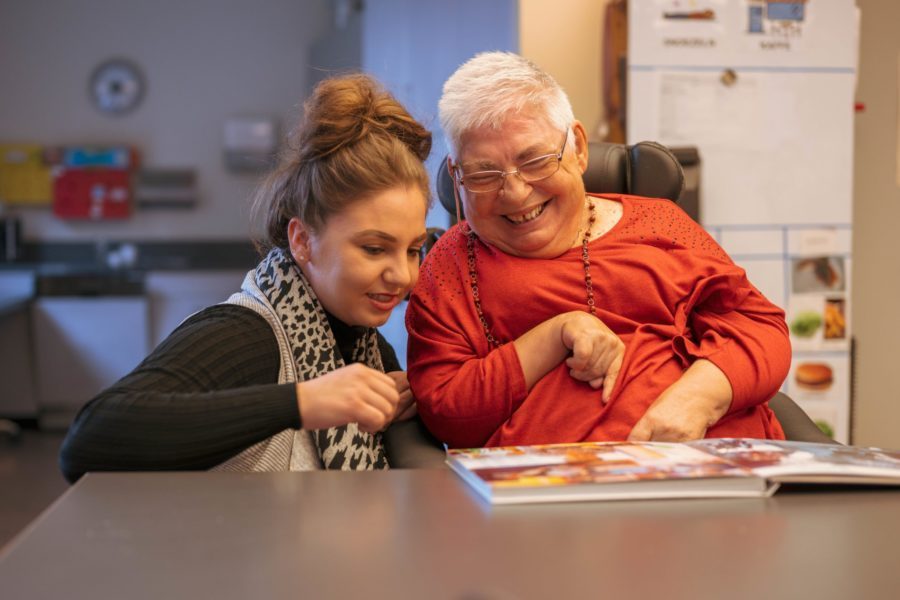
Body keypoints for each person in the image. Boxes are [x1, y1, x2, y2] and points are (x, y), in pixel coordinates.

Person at [405, 52, 791, 449]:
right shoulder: (450, 265)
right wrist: (553, 335)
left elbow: (760, 330)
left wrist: (697, 400)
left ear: (579, 149)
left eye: (535, 161)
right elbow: (447, 412)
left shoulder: (661, 224)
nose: (516, 193)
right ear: (456, 176)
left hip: (722, 471)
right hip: (552, 494)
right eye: (483, 174)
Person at [59, 74, 432, 482]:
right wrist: (302, 402)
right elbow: (89, 441)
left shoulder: (370, 348)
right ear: (303, 240)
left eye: (413, 250)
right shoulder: (247, 334)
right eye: (374, 249)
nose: (402, 275)